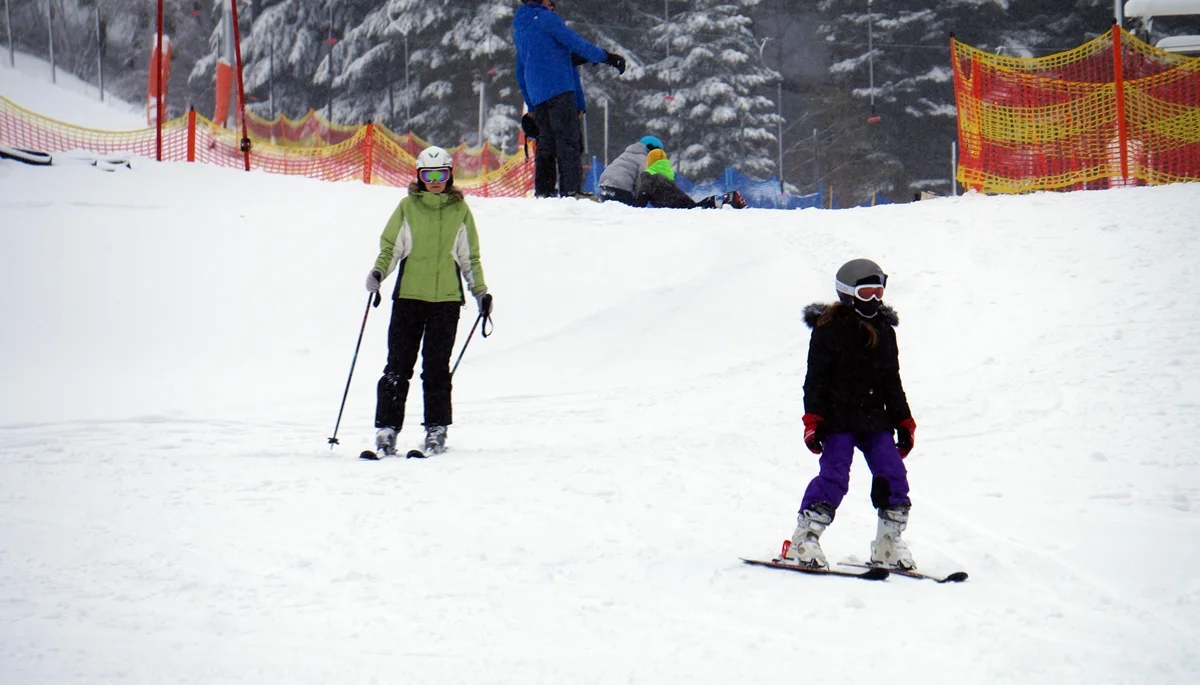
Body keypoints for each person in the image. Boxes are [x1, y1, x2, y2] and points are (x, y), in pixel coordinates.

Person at [783, 258, 918, 570]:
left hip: (875, 419)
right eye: (866, 291)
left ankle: (887, 543)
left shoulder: (885, 331)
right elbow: (815, 379)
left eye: (878, 291)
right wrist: (813, 420)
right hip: (838, 418)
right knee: (835, 476)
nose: (874, 298)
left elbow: (891, 380)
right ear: (847, 292)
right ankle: (805, 538)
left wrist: (903, 420)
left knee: (892, 474)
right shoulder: (829, 330)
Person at [364, 146, 492, 457]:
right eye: (428, 175)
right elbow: (391, 248)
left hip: (445, 302)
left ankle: (436, 429)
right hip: (408, 297)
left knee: (436, 368)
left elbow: (469, 258)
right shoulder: (408, 207)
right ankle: (387, 430)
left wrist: (480, 291)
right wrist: (379, 272)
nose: (435, 181)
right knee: (397, 366)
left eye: (441, 175)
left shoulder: (459, 211)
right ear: (420, 177)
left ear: (450, 176)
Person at [513, 0, 626, 198]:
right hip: (559, 89)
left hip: (537, 94)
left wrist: (530, 103)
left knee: (546, 143)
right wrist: (607, 57)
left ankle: (544, 192)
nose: (552, 3)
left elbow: (520, 69)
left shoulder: (521, 27)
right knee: (568, 141)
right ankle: (571, 191)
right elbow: (576, 43)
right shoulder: (547, 19)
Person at [634, 148, 746, 209]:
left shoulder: (648, 173)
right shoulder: (667, 173)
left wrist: (638, 208)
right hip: (679, 198)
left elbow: (644, 191)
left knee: (696, 209)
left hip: (670, 203)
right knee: (696, 208)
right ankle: (724, 200)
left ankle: (726, 199)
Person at [598, 135, 662, 205]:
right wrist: (641, 198)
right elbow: (642, 180)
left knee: (613, 209)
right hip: (620, 187)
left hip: (604, 184)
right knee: (631, 210)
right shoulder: (644, 159)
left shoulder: (625, 154)